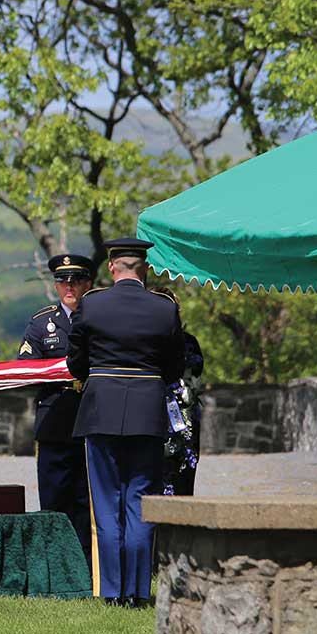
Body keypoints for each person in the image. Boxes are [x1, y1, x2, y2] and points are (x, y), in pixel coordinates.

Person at [66, 238, 184, 605]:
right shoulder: (164, 309)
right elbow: (175, 366)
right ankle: (137, 591)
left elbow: (75, 362)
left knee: (105, 502)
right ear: (144, 269)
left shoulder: (92, 304)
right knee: (139, 500)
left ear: (114, 268)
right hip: (147, 411)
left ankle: (112, 591)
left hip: (101, 406)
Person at [16, 253, 95, 561]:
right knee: (53, 500)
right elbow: (26, 368)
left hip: (92, 417)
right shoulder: (41, 322)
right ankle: (53, 568)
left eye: (76, 280)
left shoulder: (99, 318)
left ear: (88, 283)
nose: (69, 287)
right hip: (55, 421)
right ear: (55, 285)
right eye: (63, 281)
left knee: (87, 502)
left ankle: (88, 568)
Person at [152, 288, 205, 496]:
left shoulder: (189, 341)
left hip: (183, 416)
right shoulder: (141, 341)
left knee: (183, 473)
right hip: (152, 414)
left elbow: (196, 376)